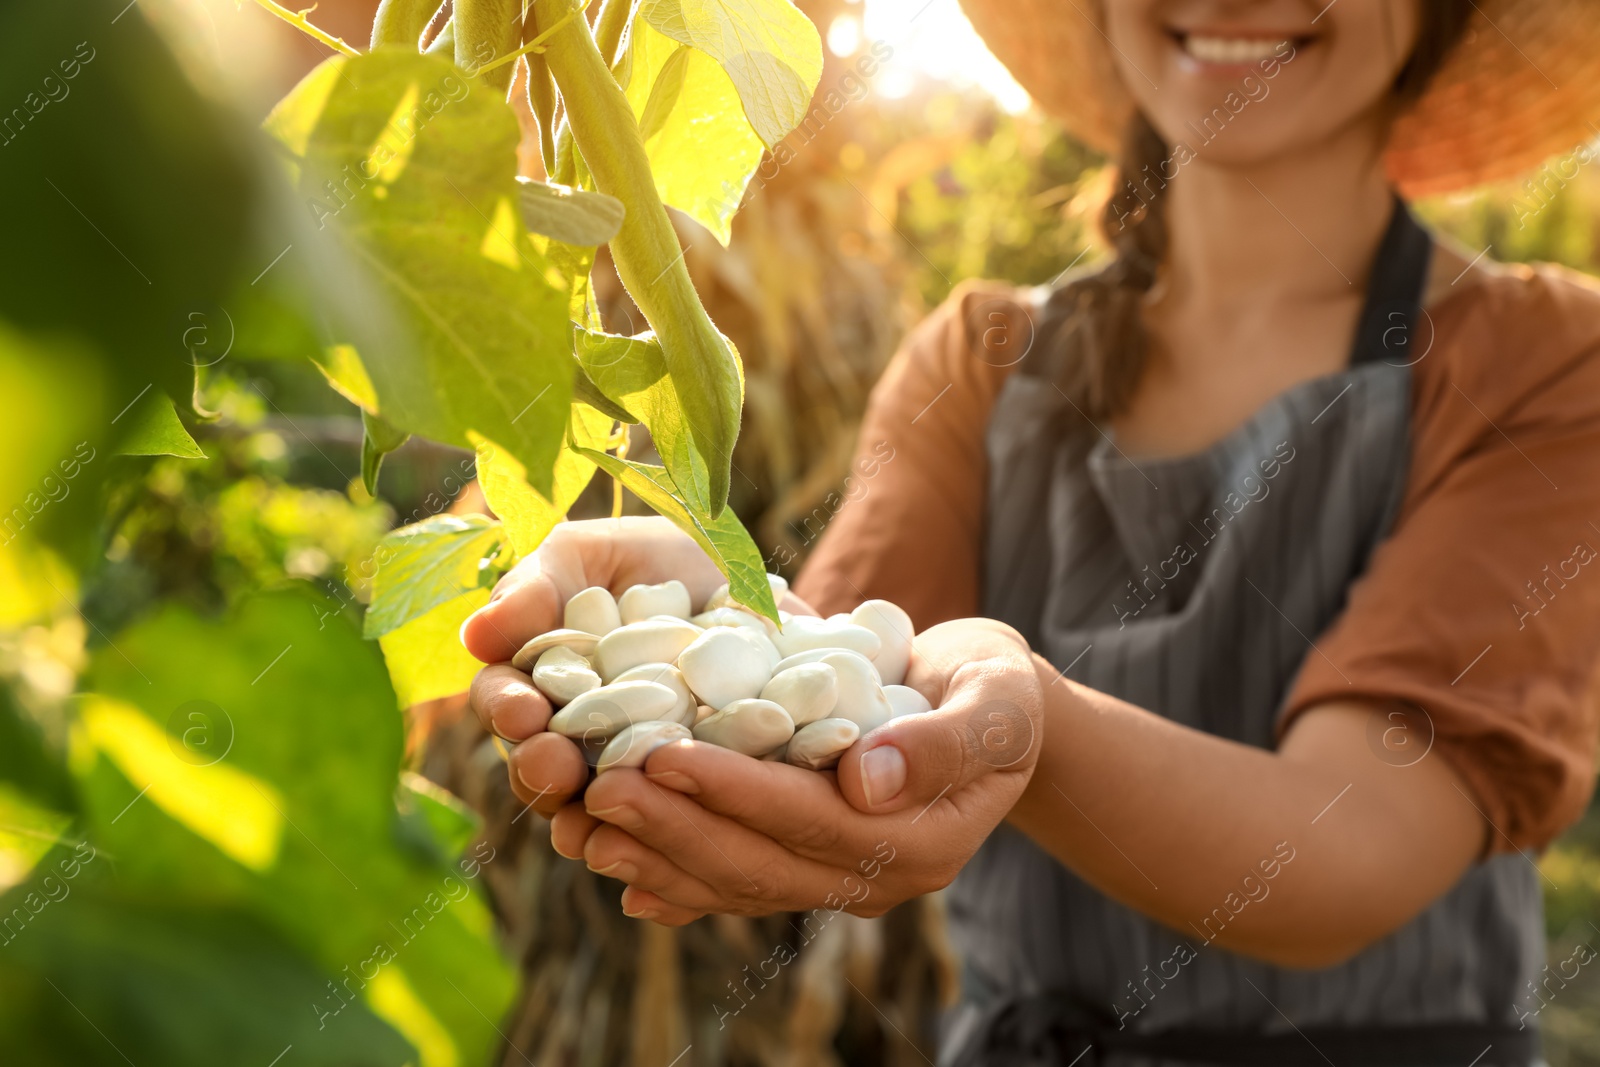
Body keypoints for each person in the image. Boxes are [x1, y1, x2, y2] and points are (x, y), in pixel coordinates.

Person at [464, 1, 1600, 1062]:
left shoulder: (1546, 363)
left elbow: (1348, 854)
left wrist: (1029, 722)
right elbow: (846, 673)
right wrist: (707, 611)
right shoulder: (983, 360)